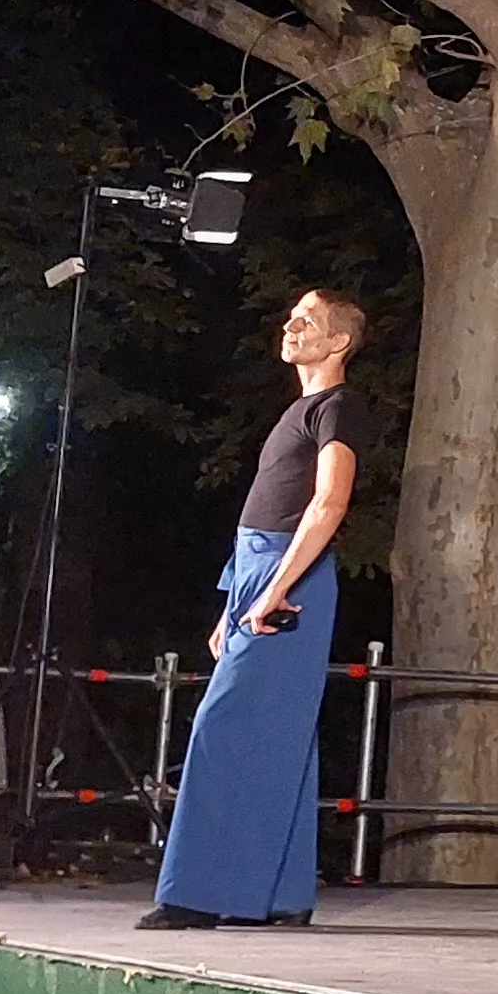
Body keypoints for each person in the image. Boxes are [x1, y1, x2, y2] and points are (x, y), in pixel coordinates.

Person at [144, 290, 367, 930]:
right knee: (279, 732)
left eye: (309, 321)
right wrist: (236, 598)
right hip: (259, 571)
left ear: (339, 342)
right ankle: (281, 893)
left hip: (287, 576)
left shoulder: (339, 407)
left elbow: (327, 504)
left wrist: (275, 586)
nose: (291, 327)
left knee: (223, 726)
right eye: (292, 317)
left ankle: (198, 893)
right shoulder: (302, 409)